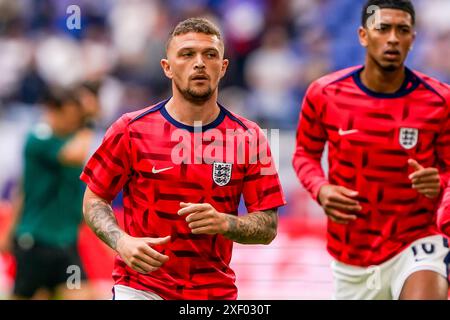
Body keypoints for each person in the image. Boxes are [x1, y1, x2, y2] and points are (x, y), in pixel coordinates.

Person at [80, 17, 286, 300]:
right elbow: (94, 199)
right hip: (141, 288)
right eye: (187, 54)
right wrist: (122, 241)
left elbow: (268, 226)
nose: (199, 63)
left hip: (213, 292)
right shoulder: (130, 129)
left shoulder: (249, 137)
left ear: (223, 67)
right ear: (167, 67)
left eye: (210, 55)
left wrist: (226, 223)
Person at [292, 0, 450, 300]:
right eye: (383, 28)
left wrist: (440, 182)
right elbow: (304, 155)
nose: (392, 37)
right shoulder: (325, 94)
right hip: (352, 252)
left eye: (402, 30)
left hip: (417, 240)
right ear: (364, 35)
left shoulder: (440, 101)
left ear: (412, 40)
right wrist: (321, 190)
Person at [5, 87, 96, 299]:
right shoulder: (40, 138)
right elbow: (75, 154)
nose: (73, 121)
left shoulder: (70, 138)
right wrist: (89, 120)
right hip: (36, 242)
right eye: (71, 115)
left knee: (81, 292)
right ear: (53, 110)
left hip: (65, 243)